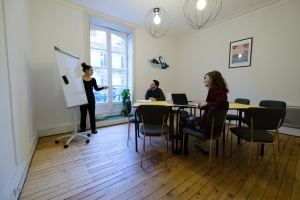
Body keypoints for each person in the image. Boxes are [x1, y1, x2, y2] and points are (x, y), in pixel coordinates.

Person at [177, 70, 229, 154]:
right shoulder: (221, 89)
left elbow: (224, 104)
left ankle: (183, 148)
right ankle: (183, 146)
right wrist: (203, 105)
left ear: (212, 78)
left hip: (206, 127)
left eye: (206, 78)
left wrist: (206, 103)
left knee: (182, 113)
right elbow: (215, 107)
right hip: (215, 128)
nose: (204, 80)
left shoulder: (214, 89)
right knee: (183, 120)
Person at [80, 62, 108, 133]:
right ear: (86, 70)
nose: (93, 72)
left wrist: (103, 87)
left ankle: (93, 129)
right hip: (82, 99)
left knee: (92, 114)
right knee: (83, 114)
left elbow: (96, 89)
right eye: (91, 70)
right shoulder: (80, 79)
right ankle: (82, 128)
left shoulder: (93, 80)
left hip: (91, 99)